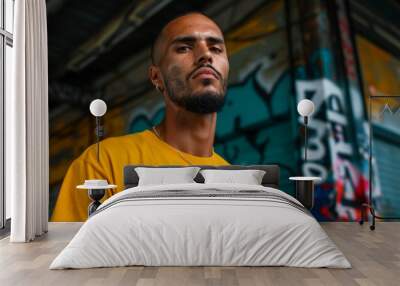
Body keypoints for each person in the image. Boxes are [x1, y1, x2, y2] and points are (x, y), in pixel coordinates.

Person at [51, 12, 230, 221]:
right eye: (184, 48)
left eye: (216, 48)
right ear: (156, 77)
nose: (205, 55)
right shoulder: (103, 163)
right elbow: (71, 251)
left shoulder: (232, 181)